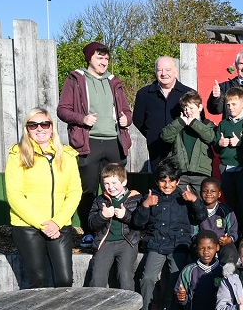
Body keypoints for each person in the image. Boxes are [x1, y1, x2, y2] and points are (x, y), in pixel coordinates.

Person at [5, 108, 82, 310]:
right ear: (27, 128)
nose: (40, 129)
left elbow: (75, 191)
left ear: (52, 127)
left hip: (59, 225)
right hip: (28, 227)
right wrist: (41, 223)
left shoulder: (67, 155)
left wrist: (57, 222)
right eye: (33, 125)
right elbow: (15, 195)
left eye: (45, 124)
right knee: (38, 279)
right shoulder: (18, 154)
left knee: (64, 278)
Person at [57, 42, 132, 249]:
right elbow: (62, 110)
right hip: (88, 143)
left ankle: (117, 230)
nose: (104, 62)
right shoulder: (76, 79)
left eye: (106, 59)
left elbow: (126, 110)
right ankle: (89, 232)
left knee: (116, 188)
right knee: (88, 190)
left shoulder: (114, 81)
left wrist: (127, 118)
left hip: (114, 143)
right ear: (90, 58)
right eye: (100, 58)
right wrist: (82, 118)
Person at [132, 158, 208, 310]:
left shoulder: (183, 197)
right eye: (163, 180)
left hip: (178, 245)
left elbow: (201, 217)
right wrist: (145, 205)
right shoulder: (150, 197)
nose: (167, 185)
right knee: (147, 278)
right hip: (157, 244)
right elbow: (138, 222)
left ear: (178, 181)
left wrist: (195, 200)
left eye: (171, 181)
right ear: (157, 181)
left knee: (177, 278)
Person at [87, 163, 141, 296]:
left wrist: (126, 216)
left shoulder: (135, 198)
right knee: (97, 278)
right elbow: (91, 224)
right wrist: (102, 216)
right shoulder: (100, 200)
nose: (110, 187)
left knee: (125, 276)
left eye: (114, 183)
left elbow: (141, 222)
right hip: (105, 242)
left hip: (127, 242)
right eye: (106, 184)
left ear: (124, 182)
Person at [133, 56, 194, 170]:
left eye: (168, 70)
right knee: (159, 182)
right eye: (160, 70)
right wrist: (153, 134)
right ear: (155, 72)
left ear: (175, 72)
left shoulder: (189, 93)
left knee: (181, 184)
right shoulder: (144, 94)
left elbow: (197, 120)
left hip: (183, 149)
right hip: (157, 148)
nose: (163, 73)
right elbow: (138, 120)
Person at [213, 86, 243, 236]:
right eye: (228, 105)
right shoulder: (223, 124)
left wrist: (241, 142)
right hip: (226, 167)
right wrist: (220, 144)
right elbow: (216, 147)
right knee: (230, 202)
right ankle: (232, 234)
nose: (231, 107)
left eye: (234, 104)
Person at [160, 90, 216, 195]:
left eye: (191, 108)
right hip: (181, 173)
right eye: (185, 108)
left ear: (200, 108)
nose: (188, 111)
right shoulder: (178, 125)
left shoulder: (207, 124)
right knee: (179, 203)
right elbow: (165, 136)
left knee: (200, 204)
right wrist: (180, 122)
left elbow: (211, 137)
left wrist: (194, 123)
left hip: (201, 173)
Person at [175, 230, 223, 310]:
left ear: (217, 247)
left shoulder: (224, 270)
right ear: (196, 249)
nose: (206, 252)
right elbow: (181, 295)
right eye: (202, 248)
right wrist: (182, 298)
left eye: (210, 248)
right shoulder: (189, 270)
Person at [208, 51, 243, 117]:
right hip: (232, 126)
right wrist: (215, 98)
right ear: (236, 65)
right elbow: (215, 110)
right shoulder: (224, 87)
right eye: (241, 64)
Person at [196, 177, 239, 264]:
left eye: (213, 191)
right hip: (203, 246)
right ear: (200, 193)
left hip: (221, 245)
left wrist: (229, 239)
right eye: (205, 191)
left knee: (230, 251)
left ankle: (225, 275)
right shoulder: (196, 210)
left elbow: (233, 231)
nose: (209, 194)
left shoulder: (226, 211)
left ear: (219, 194)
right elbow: (193, 232)